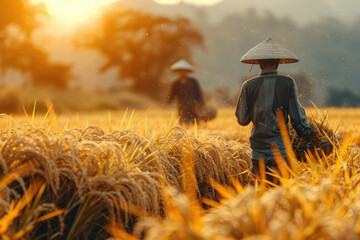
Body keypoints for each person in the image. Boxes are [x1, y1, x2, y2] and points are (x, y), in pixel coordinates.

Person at [235, 38, 314, 180]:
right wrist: (308, 132)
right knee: (283, 193)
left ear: (259, 63)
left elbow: (242, 120)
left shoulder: (248, 85)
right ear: (278, 61)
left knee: (258, 192)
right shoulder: (287, 83)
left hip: (257, 152)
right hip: (281, 151)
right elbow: (297, 118)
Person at [167, 59, 205, 125]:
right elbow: (172, 94)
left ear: (187, 72)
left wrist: (201, 103)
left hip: (193, 106)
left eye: (184, 71)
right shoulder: (176, 83)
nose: (182, 73)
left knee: (195, 123)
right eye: (181, 71)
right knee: (184, 124)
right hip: (181, 107)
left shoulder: (193, 82)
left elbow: (198, 93)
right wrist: (169, 100)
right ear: (178, 72)